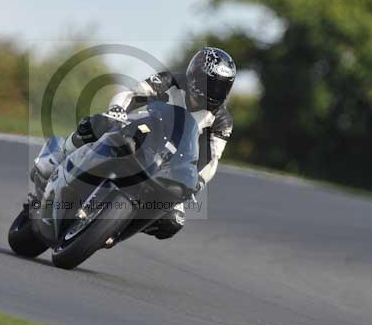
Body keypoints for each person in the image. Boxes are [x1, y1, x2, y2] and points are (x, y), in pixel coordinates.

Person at [33, 47, 236, 239]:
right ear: (195, 77)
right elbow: (132, 93)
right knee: (96, 124)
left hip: (169, 163)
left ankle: (114, 230)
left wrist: (197, 181)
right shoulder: (171, 81)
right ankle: (59, 154)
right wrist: (117, 111)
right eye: (211, 84)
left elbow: (211, 159)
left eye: (222, 87)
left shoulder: (221, 121)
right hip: (138, 132)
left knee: (173, 220)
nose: (215, 92)